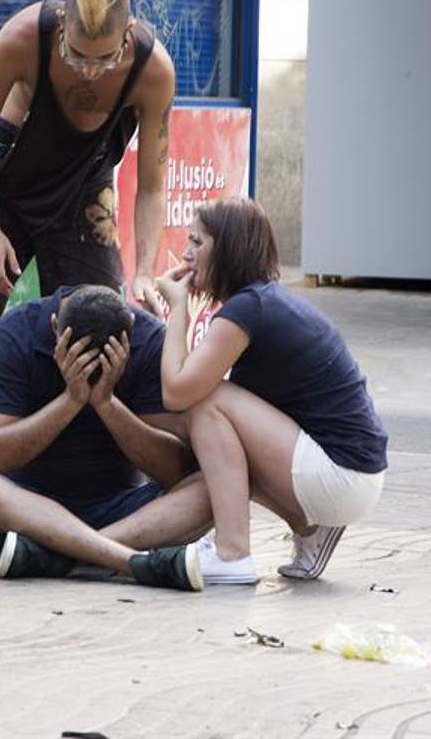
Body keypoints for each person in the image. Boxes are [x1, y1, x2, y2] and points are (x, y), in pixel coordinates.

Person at [0, 0, 175, 534]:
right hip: (7, 182)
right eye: (78, 57)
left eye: (103, 60)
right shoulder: (24, 38)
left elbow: (151, 184)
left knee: (95, 331)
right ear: (61, 29)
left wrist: (144, 266)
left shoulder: (150, 69)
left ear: (127, 39)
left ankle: (80, 480)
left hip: (83, 195)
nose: (90, 71)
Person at [153, 198, 388, 585]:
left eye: (197, 242)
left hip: (344, 475)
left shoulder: (247, 310)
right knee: (216, 436)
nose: (186, 253)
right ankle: (310, 530)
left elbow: (177, 392)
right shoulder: (262, 301)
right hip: (354, 475)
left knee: (205, 402)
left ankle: (231, 553)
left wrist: (176, 307)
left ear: (227, 248)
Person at [0, 285, 211, 592]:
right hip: (26, 513)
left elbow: (174, 470)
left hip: (124, 514)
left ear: (130, 333)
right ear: (55, 326)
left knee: (217, 484)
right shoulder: (17, 331)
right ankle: (125, 560)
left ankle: (64, 556)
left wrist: (107, 404)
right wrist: (71, 401)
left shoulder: (149, 339)